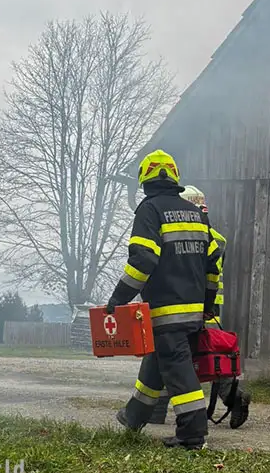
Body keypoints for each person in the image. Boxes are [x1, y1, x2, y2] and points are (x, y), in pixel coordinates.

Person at [107, 149, 219, 450]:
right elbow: (213, 265)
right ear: (174, 178)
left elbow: (143, 260)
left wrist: (118, 298)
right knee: (157, 362)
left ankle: (192, 434)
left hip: (166, 312)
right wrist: (208, 305)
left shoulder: (149, 210)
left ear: (144, 180)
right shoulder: (196, 213)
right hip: (193, 312)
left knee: (179, 372)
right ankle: (134, 416)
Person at [146, 185, 252, 429]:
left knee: (172, 354)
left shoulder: (192, 235)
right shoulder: (214, 237)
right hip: (204, 306)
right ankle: (232, 397)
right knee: (192, 355)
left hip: (187, 305)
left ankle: (158, 409)